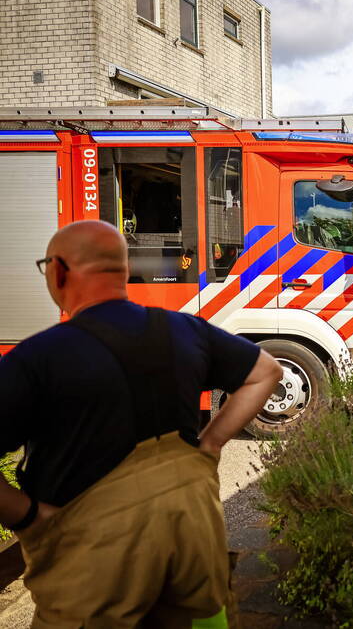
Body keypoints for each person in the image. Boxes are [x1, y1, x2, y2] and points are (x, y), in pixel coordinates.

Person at [0, 220, 284, 627]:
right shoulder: (184, 330)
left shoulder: (35, 359)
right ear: (124, 270)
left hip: (90, 569)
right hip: (193, 547)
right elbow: (266, 371)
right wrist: (209, 447)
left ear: (58, 272)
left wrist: (30, 517)